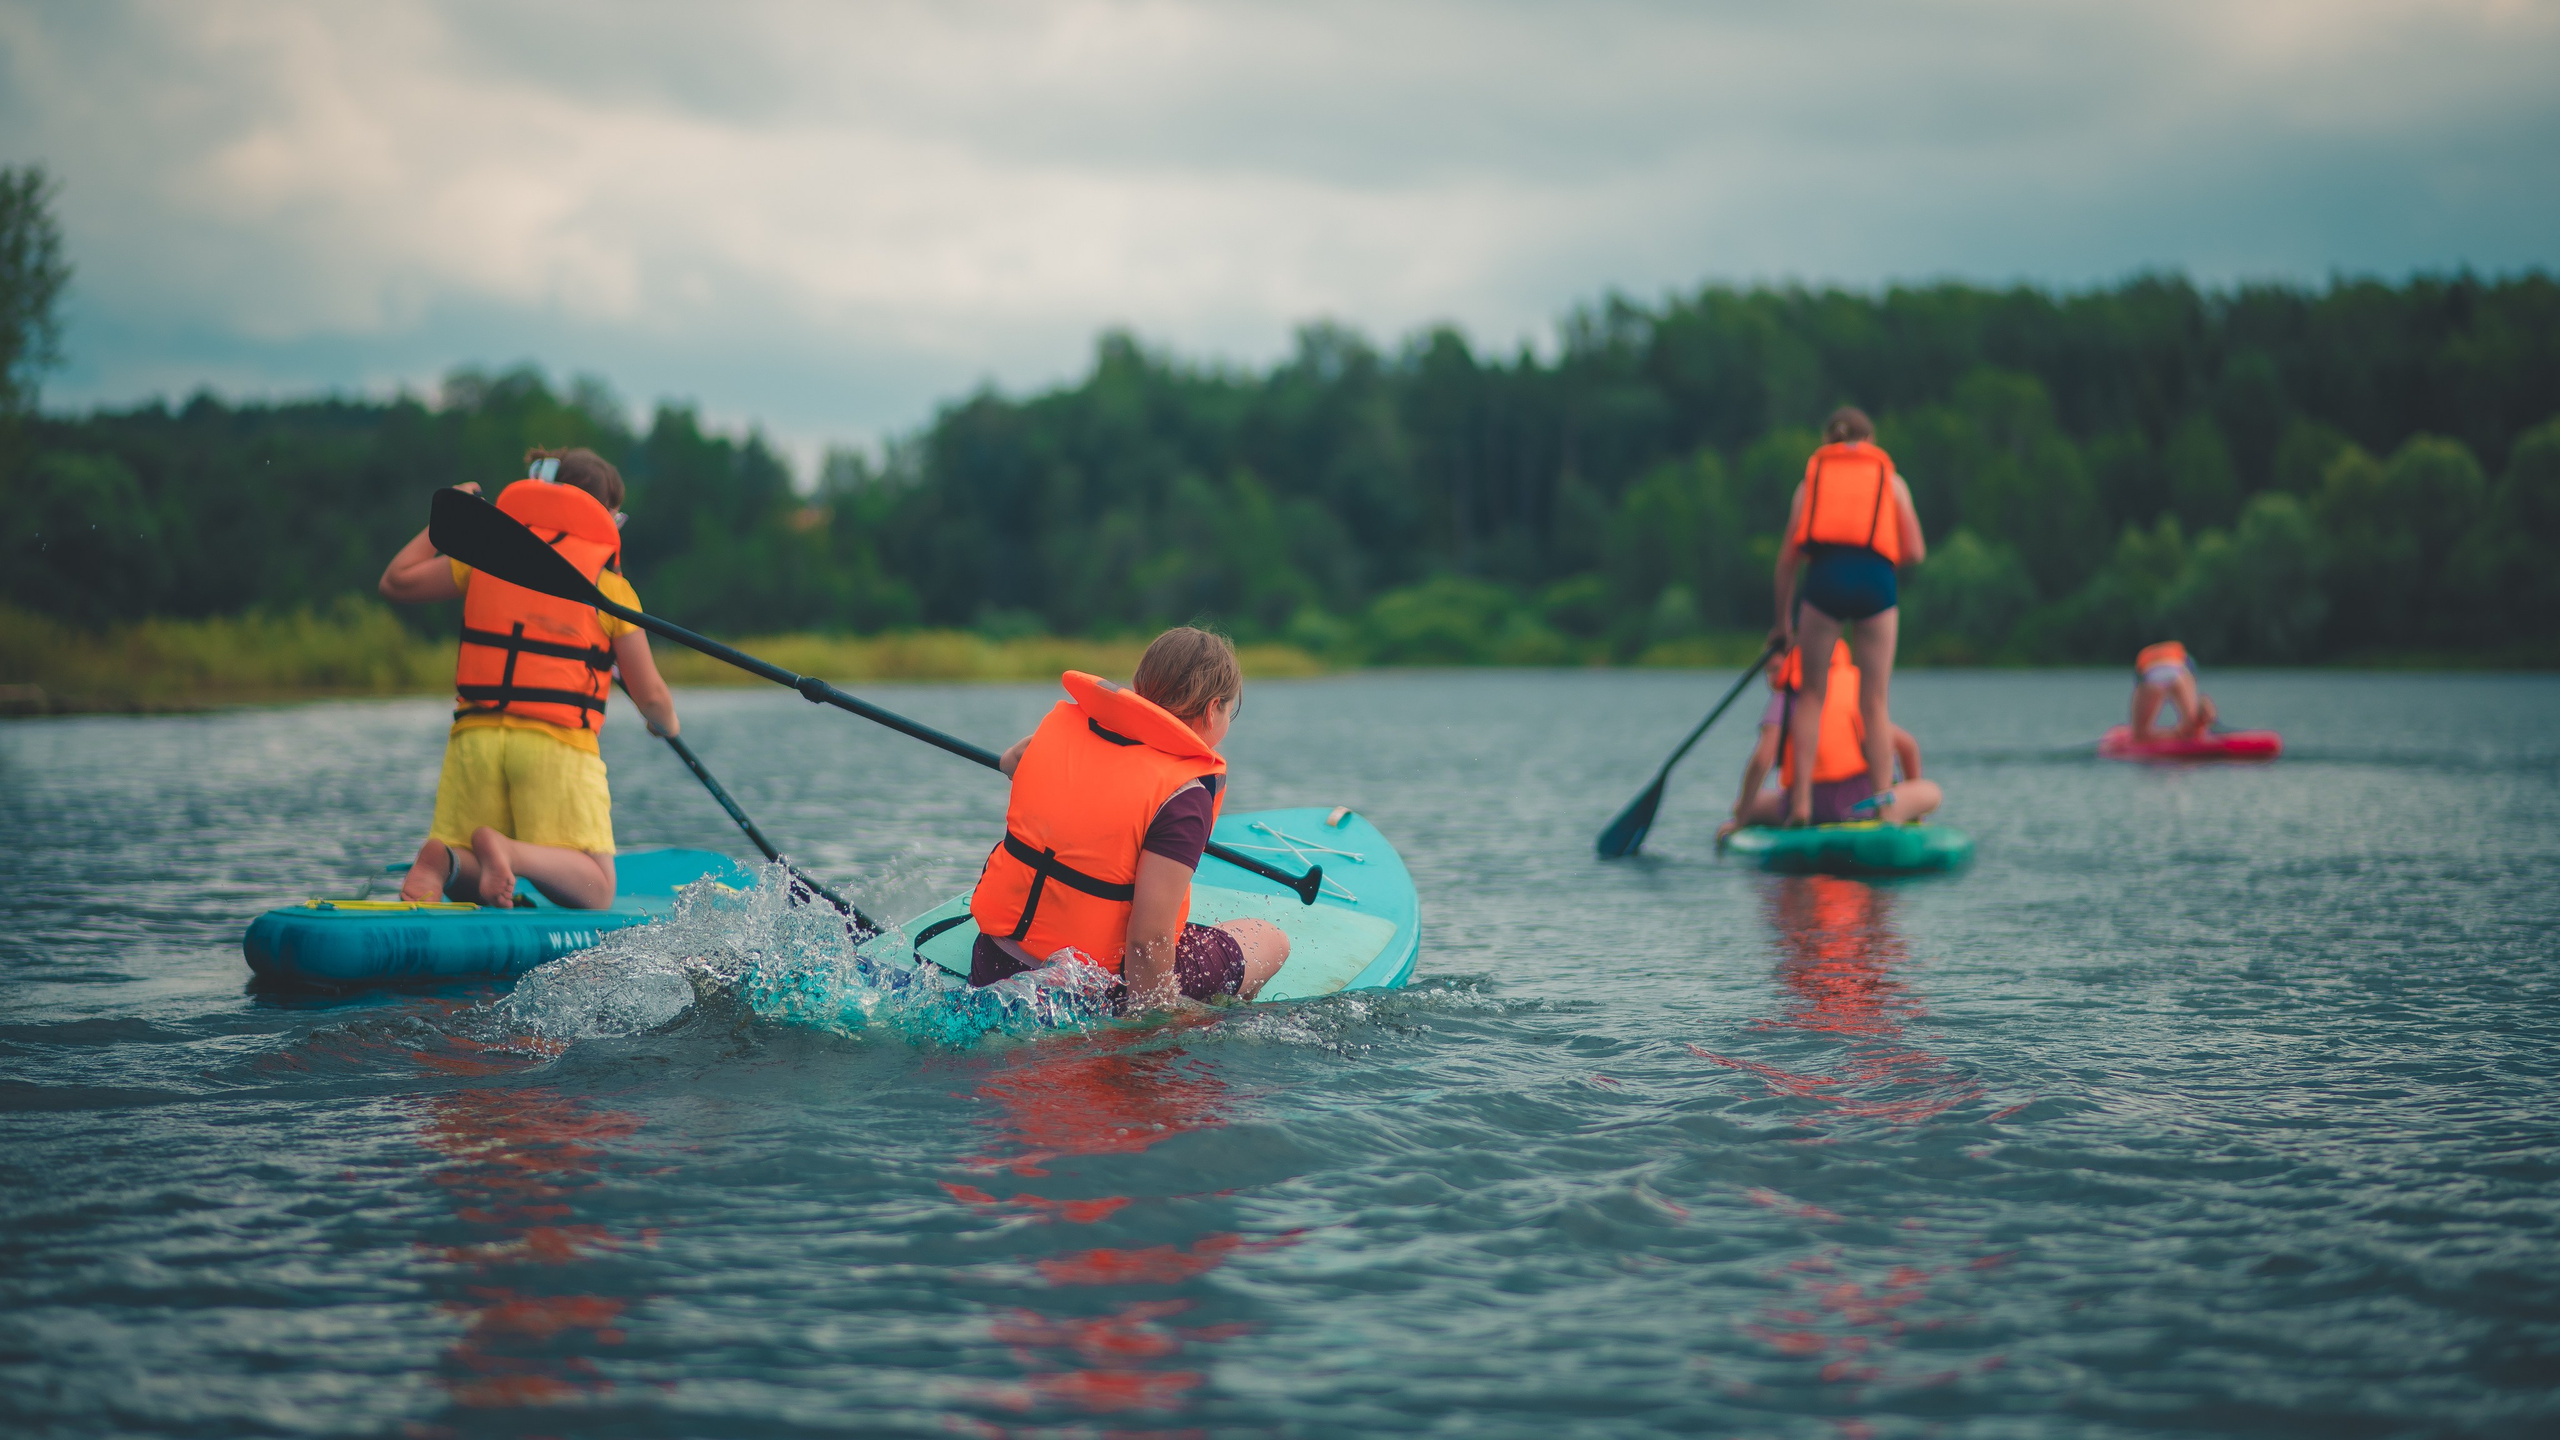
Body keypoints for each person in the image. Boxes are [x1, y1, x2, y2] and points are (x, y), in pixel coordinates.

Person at [377, 448, 679, 910]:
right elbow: (651, 693)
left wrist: (448, 519)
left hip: (473, 742)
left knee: (469, 855)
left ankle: (445, 862)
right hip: (553, 750)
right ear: (603, 517)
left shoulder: (486, 557)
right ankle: (510, 852)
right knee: (598, 888)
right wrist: (664, 723)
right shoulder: (609, 587)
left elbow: (396, 581)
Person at [967, 627, 1290, 1012]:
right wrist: (1154, 1025)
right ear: (1212, 709)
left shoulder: (1067, 727)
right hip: (1093, 991)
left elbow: (1010, 762)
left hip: (993, 962)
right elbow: (1148, 941)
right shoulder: (1184, 793)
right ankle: (1218, 1019)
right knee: (1269, 939)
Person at [1770, 407, 1926, 827]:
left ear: (1827, 443)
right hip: (1877, 580)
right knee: (1874, 702)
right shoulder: (1891, 481)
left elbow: (1788, 561)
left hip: (1825, 579)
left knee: (1811, 697)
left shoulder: (1810, 483)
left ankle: (1801, 806)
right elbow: (1914, 551)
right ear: (1870, 440)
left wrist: (1781, 625)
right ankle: (1885, 806)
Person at [1718, 639, 1941, 839]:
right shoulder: (1855, 688)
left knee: (1742, 805)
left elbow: (1762, 759)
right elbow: (1907, 746)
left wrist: (1741, 820)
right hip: (1865, 806)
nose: (1773, 679)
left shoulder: (1788, 695)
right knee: (1931, 791)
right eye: (1768, 672)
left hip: (1810, 807)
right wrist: (1914, 812)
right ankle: (1899, 814)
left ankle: (1763, 814)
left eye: (1777, 669)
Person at [2129, 640, 2217, 742]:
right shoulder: (2183, 655)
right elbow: (2191, 677)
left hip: (2150, 670)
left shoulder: (2144, 655)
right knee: (2192, 727)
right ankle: (2204, 719)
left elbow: (2139, 684)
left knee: (2140, 736)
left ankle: (2170, 735)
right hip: (2178, 669)